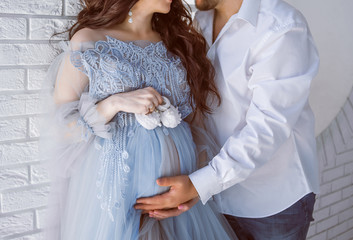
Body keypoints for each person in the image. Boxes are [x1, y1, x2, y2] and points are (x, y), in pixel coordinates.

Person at [42, 0, 238, 239]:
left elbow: (195, 124)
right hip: (117, 193)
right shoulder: (89, 40)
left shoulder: (178, 42)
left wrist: (195, 184)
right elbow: (62, 128)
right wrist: (114, 103)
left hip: (178, 200)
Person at [134, 0, 320, 239]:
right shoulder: (198, 21)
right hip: (211, 198)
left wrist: (200, 185)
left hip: (270, 202)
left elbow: (267, 128)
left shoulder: (282, 27)